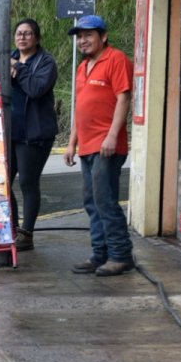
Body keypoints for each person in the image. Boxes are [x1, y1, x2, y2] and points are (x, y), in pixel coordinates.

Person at [63, 14, 135, 276]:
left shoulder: (115, 59)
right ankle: (100, 254)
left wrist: (113, 136)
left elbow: (123, 98)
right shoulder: (83, 67)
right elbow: (81, 110)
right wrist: (72, 144)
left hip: (106, 144)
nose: (83, 40)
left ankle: (120, 255)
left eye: (88, 35)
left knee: (105, 200)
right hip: (87, 145)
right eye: (79, 37)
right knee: (91, 200)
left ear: (103, 36)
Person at [7, 18, 58, 251]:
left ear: (37, 38)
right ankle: (11, 228)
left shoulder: (46, 62)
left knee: (28, 182)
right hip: (9, 131)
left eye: (28, 33)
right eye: (19, 33)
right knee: (2, 182)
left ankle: (26, 234)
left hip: (35, 132)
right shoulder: (8, 59)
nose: (22, 37)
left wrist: (18, 69)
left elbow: (36, 90)